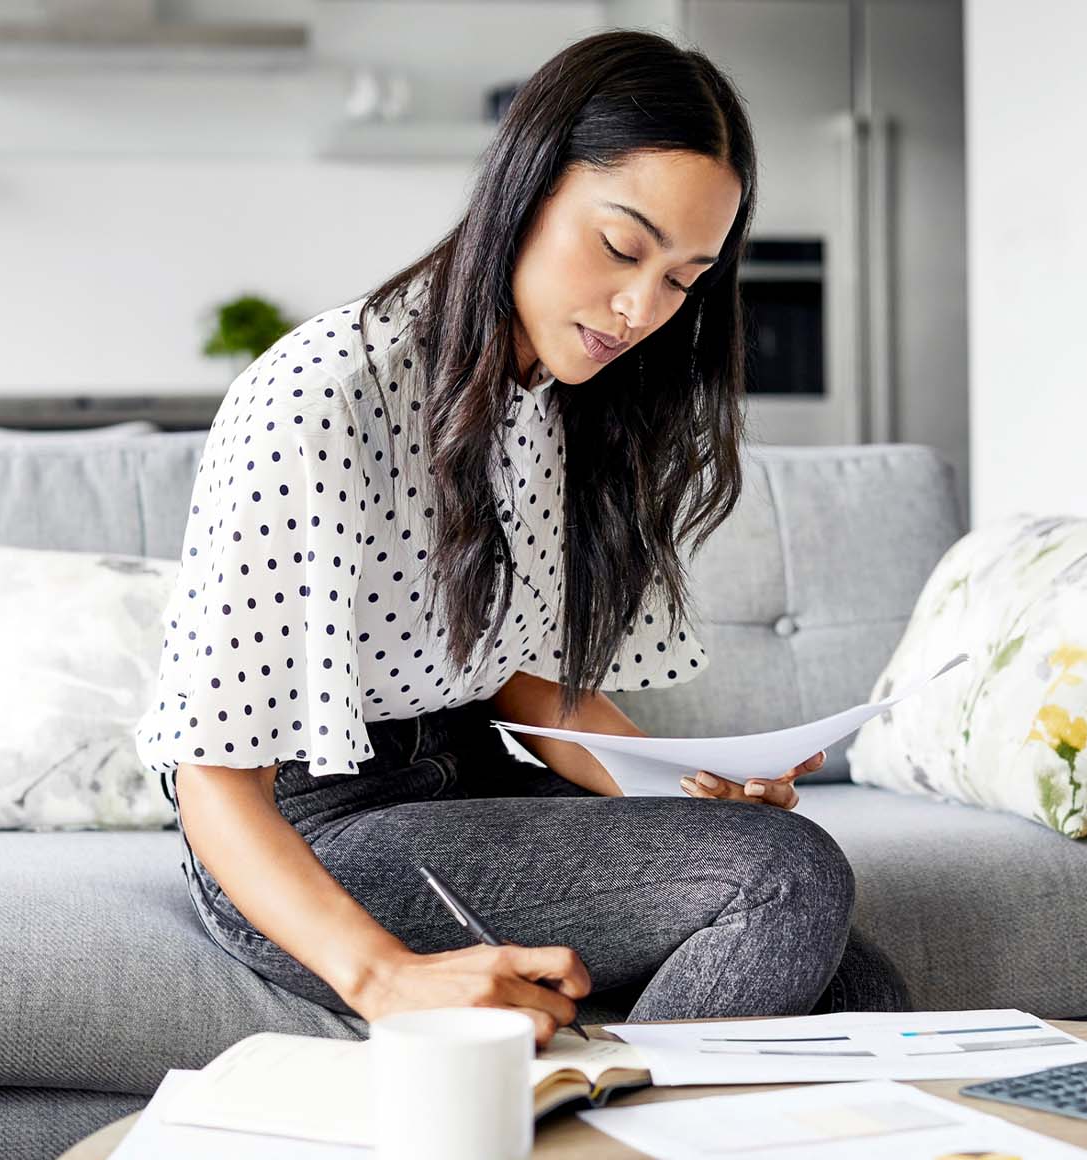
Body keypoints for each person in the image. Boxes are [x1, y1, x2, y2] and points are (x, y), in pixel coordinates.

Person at [133, 28, 909, 1050]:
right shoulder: (323, 393)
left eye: (684, 279)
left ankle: (601, 1103)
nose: (642, 308)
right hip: (302, 837)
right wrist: (386, 977)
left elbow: (525, 685)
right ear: (525, 188)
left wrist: (690, 784)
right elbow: (211, 776)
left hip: (466, 782)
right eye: (622, 246)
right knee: (789, 877)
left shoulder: (566, 399)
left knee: (858, 985)